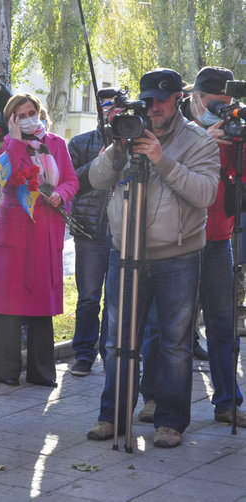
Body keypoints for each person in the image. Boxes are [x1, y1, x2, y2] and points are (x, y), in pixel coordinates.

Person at [86, 68, 219, 448]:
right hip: (124, 252)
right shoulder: (128, 132)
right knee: (115, 339)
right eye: (147, 100)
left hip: (176, 256)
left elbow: (206, 194)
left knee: (175, 344)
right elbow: (96, 179)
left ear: (178, 98)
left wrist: (161, 159)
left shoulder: (198, 141)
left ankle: (170, 422)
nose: (154, 107)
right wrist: (116, 148)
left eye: (162, 99)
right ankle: (112, 416)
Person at [139, 66, 245, 426]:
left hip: (216, 241)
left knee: (222, 323)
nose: (223, 113)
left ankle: (228, 400)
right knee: (163, 326)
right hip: (177, 244)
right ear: (195, 99)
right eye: (216, 105)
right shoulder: (174, 130)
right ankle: (151, 396)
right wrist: (206, 139)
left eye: (228, 106)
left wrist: (239, 145)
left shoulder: (235, 132)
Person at [0, 93, 79, 388]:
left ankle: (42, 371)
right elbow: (4, 178)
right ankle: (6, 370)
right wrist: (13, 140)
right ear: (11, 118)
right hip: (14, 232)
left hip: (46, 230)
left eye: (31, 112)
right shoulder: (5, 146)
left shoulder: (57, 144)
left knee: (42, 303)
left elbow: (72, 180)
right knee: (9, 304)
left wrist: (60, 194)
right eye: (20, 114)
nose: (28, 118)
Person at [68, 103, 124, 376]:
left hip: (122, 232)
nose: (114, 114)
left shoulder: (134, 141)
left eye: (119, 109)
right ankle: (83, 355)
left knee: (115, 299)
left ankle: (110, 353)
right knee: (89, 298)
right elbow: (70, 183)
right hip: (91, 231)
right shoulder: (80, 143)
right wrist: (98, 163)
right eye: (108, 108)